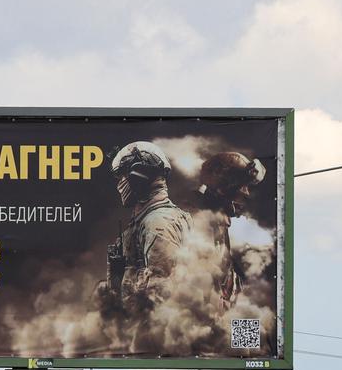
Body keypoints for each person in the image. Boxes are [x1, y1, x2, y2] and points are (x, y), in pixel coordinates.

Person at [98, 141, 190, 333]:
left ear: (138, 176)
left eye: (122, 176)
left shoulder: (158, 223)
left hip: (151, 339)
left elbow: (162, 295)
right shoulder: (147, 220)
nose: (119, 185)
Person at [192, 150, 266, 304]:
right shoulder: (197, 223)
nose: (245, 193)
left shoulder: (218, 223)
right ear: (223, 188)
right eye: (242, 187)